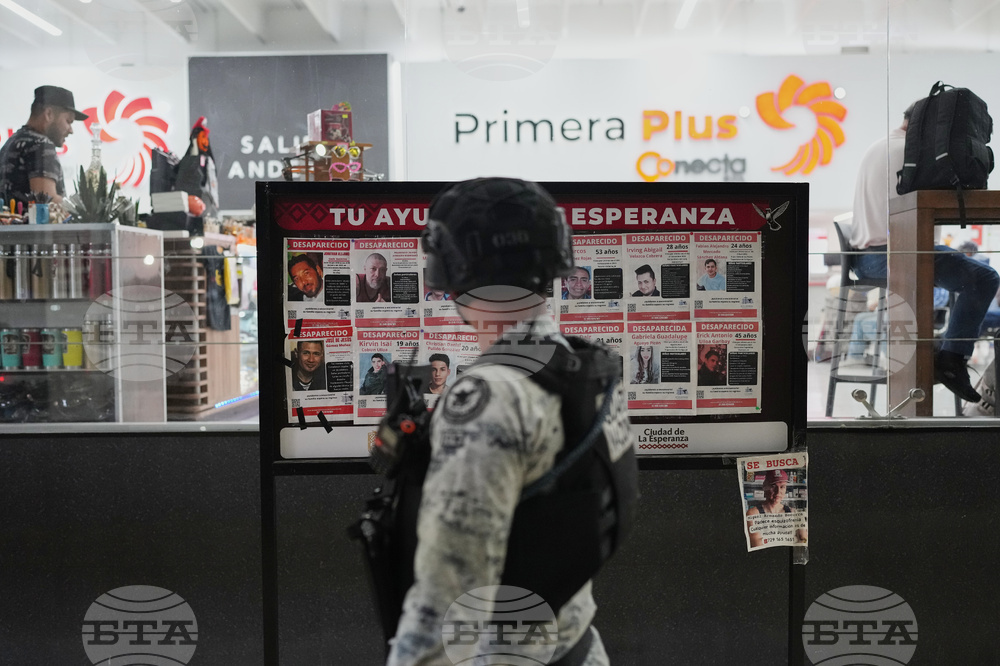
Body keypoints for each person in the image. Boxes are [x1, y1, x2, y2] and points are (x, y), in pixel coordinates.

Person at [388, 177, 637, 666]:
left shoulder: (492, 396)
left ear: (452, 265)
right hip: (577, 646)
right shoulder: (579, 366)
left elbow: (450, 585)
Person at [850, 103, 1000, 403]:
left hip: (874, 253)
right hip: (887, 255)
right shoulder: (909, 152)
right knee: (983, 279)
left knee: (973, 275)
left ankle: (947, 355)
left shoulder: (885, 145)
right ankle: (951, 359)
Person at [0, 86, 88, 205]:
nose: (71, 130)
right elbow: (46, 200)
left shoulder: (10, 143)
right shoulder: (40, 145)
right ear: (49, 114)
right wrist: (83, 207)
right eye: (68, 121)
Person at [745, 470, 807, 548]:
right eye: (773, 486)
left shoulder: (794, 513)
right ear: (765, 487)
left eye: (782, 487)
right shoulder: (753, 514)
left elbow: (804, 540)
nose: (778, 492)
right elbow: (757, 545)